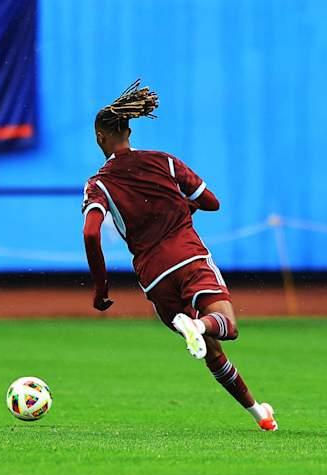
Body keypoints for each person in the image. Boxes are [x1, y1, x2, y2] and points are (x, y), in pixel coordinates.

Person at [81, 80, 277, 431]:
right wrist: (180, 209)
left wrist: (101, 289)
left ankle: (258, 413)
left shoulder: (99, 184)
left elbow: (91, 232)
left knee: (213, 352)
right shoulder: (164, 162)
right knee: (225, 325)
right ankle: (198, 324)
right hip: (187, 257)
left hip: (154, 279)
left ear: (100, 137)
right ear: (129, 130)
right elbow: (211, 202)